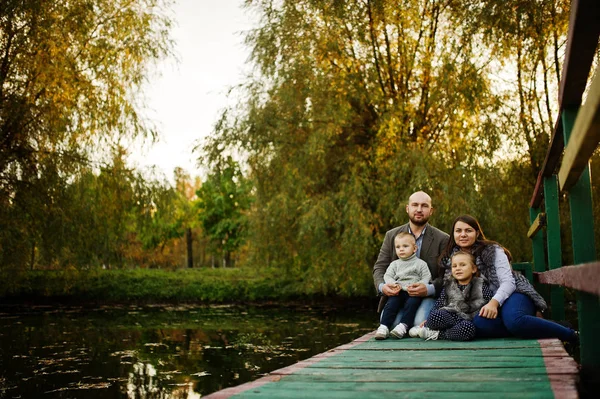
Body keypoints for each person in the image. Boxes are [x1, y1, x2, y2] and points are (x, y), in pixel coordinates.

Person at [438, 214, 578, 343]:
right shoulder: (451, 258)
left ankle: (571, 335)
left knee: (515, 321)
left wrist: (494, 303)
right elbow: (450, 291)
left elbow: (508, 282)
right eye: (458, 231)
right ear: (453, 234)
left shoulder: (493, 250)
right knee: (480, 324)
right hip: (485, 304)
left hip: (513, 293)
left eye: (468, 230)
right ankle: (543, 325)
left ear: (477, 233)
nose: (463, 234)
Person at [373, 191, 450, 327]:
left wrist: (428, 289)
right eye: (415, 205)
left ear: (431, 211)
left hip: (427, 296)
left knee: (417, 323)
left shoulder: (443, 239)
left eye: (424, 206)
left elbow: (446, 275)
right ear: (408, 208)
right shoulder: (391, 235)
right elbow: (380, 267)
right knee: (392, 324)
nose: (419, 209)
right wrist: (383, 287)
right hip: (398, 293)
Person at [410, 250, 493, 341]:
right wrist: (428, 320)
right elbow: (439, 303)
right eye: (454, 266)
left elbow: (488, 302)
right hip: (450, 317)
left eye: (462, 265)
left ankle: (439, 334)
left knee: (467, 329)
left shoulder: (480, 285)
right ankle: (427, 327)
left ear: (473, 269)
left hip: (468, 320)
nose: (458, 268)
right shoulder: (449, 285)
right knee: (436, 315)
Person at [375, 232, 432, 339]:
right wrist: (393, 284)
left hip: (413, 292)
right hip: (398, 291)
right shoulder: (395, 264)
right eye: (398, 247)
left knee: (412, 304)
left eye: (405, 246)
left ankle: (403, 326)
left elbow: (426, 277)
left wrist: (420, 285)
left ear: (414, 248)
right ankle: (384, 326)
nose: (401, 249)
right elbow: (388, 276)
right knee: (391, 304)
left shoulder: (420, 264)